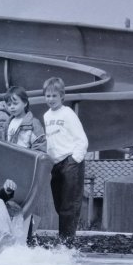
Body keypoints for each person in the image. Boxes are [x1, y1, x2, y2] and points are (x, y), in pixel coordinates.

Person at [43, 77, 88, 241]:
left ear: (62, 96)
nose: (51, 99)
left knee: (70, 205)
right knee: (59, 204)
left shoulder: (68, 114)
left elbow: (81, 139)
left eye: (54, 96)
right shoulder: (46, 116)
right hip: (55, 164)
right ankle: (64, 239)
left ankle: (66, 243)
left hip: (70, 162)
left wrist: (75, 159)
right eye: (48, 96)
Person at [3, 86, 46, 152]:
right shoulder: (7, 123)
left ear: (25, 103)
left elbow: (40, 146)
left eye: (15, 103)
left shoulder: (34, 123)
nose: (12, 107)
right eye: (9, 105)